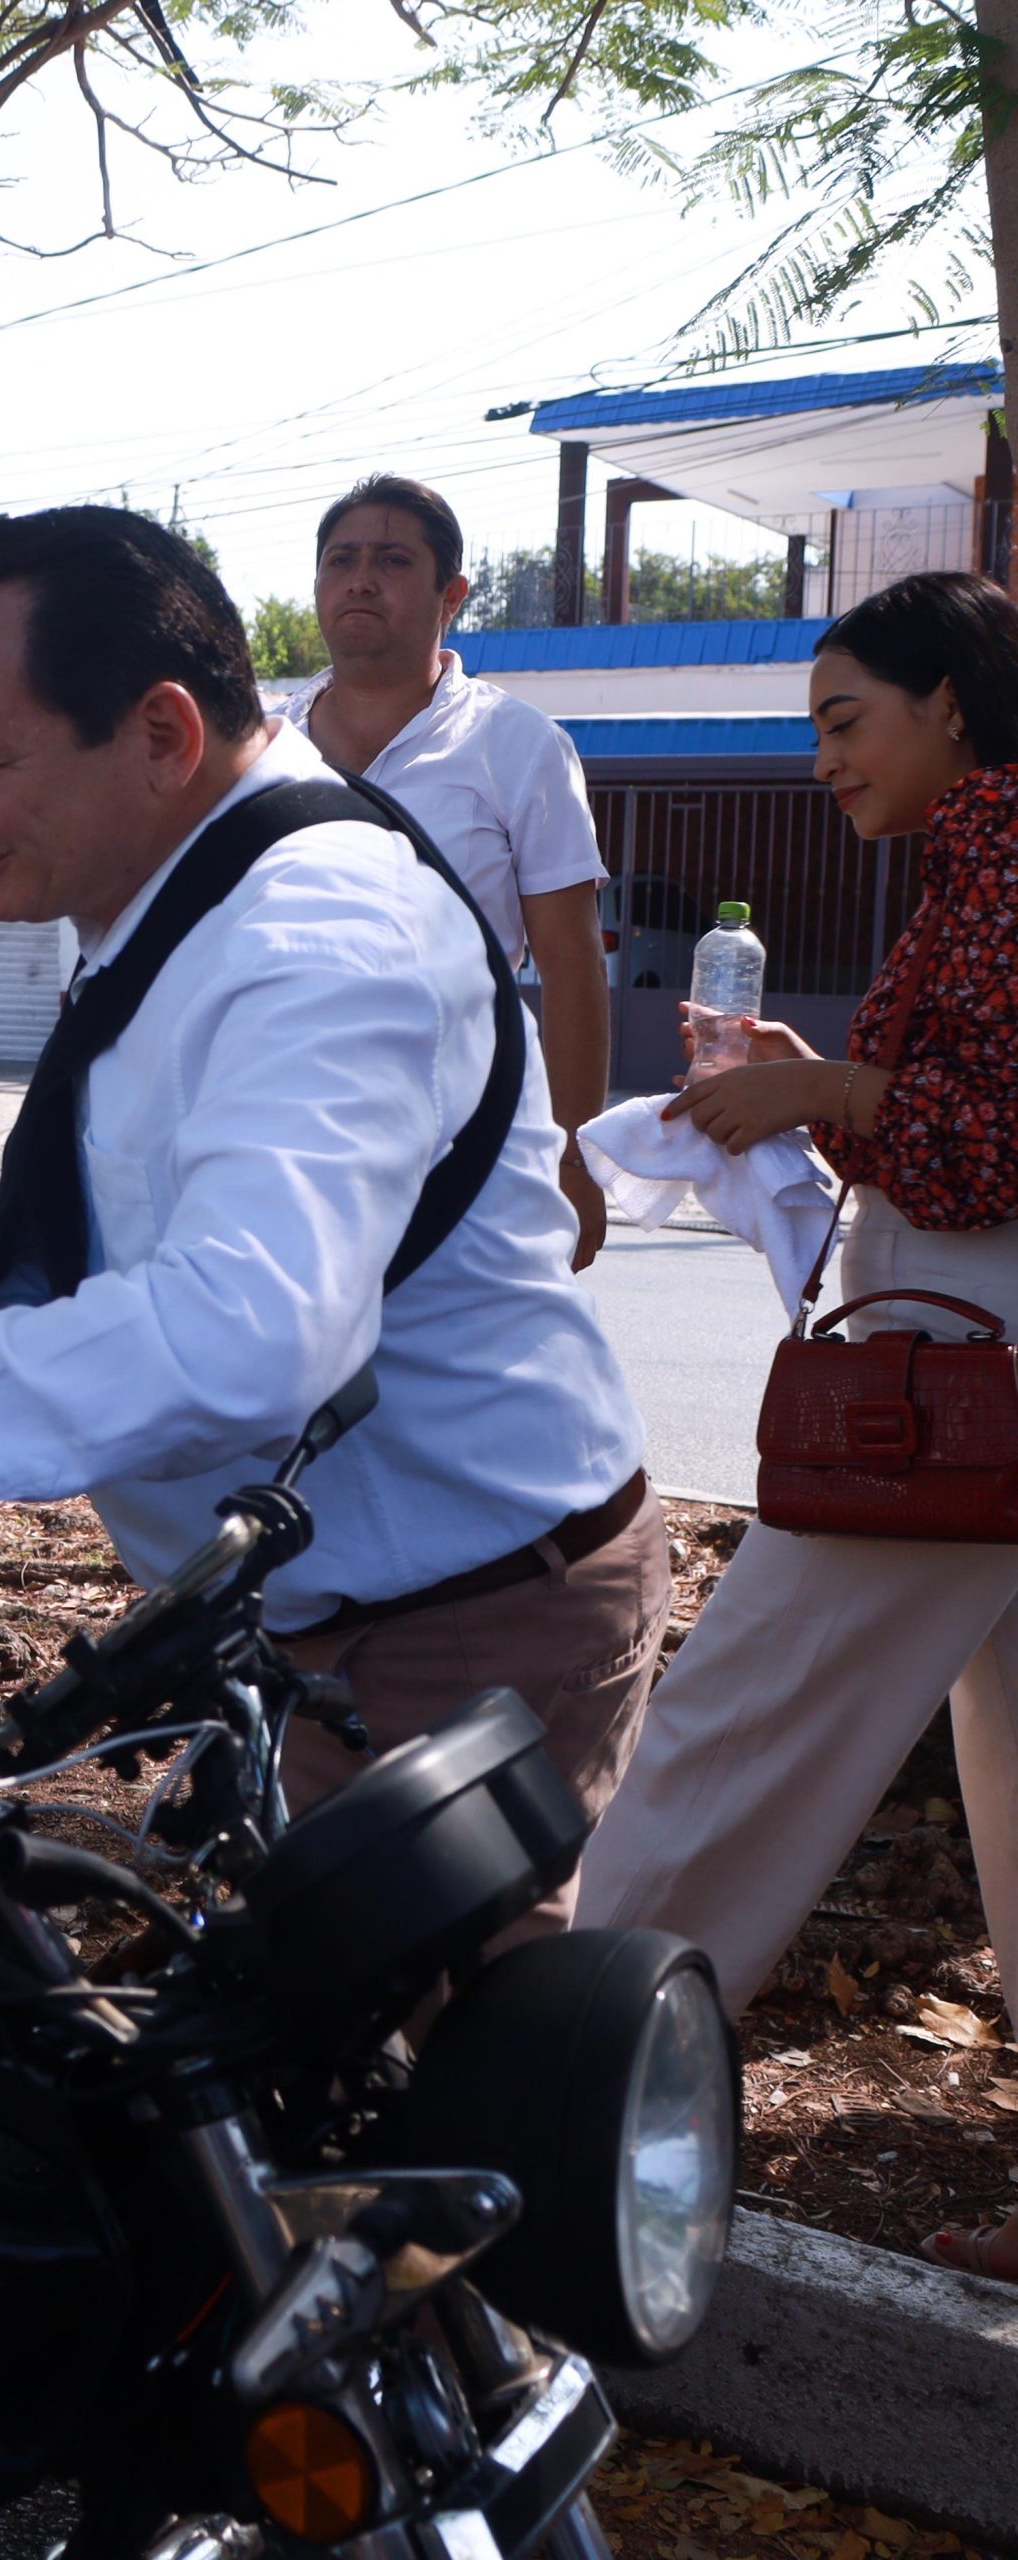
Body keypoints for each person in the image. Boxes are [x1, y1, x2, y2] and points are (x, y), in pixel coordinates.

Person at [0, 507, 663, 1909]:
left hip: (460, 1625)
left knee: (427, 2093)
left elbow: (244, 1339)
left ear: (162, 733)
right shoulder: (177, 903)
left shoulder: (319, 937)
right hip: (319, 1616)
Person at [576, 568, 1018, 2279]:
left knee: (739, 1718)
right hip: (968, 1353)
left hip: (952, 1378)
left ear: (952, 708)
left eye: (846, 720)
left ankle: (538, 2069)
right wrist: (810, 1083)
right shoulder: (971, 868)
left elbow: (985, 1145)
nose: (824, 757)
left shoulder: (1000, 862)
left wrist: (827, 1089)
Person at [284, 476, 613, 1270]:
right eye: (341, 559)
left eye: (393, 559)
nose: (360, 578)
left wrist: (571, 1158)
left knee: (454, 1379)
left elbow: (571, 971)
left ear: (452, 594)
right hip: (279, 1132)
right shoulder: (261, 747)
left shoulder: (518, 744)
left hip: (465, 1141)